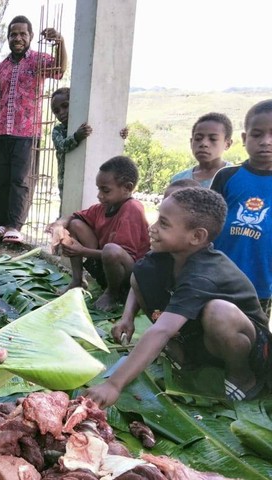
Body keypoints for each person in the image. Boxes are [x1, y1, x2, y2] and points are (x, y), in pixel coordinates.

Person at [85, 187, 272, 408]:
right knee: (142, 273)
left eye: (163, 224)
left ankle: (241, 376)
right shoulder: (163, 257)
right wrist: (127, 317)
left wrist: (113, 385)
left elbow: (163, 329)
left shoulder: (206, 272)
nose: (152, 229)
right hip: (201, 336)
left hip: (250, 348)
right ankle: (182, 355)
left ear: (196, 236)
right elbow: (137, 283)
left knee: (220, 312)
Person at [0, 15, 68, 244]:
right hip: (2, 133)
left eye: (22, 34)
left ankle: (15, 227)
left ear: (30, 37)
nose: (17, 38)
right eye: (13, 34)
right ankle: (2, 224)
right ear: (8, 38)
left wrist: (60, 42)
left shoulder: (37, 61)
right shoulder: (2, 68)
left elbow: (59, 69)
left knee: (21, 181)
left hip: (27, 133)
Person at [46, 156, 150, 311]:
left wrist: (82, 251)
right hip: (107, 266)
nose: (100, 195)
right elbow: (72, 217)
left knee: (111, 250)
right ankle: (77, 281)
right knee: (75, 224)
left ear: (127, 188)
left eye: (106, 190)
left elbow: (121, 254)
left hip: (132, 276)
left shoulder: (132, 208)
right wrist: (58, 227)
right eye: (99, 189)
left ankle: (112, 294)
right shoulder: (102, 208)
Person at [211, 99, 272, 318]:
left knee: (255, 338)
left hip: (262, 281)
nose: (266, 141)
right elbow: (208, 222)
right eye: (257, 135)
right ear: (245, 139)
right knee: (212, 324)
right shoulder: (227, 177)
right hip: (219, 274)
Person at [50, 88, 128, 214]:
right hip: (66, 180)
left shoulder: (89, 121)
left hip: (89, 177)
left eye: (65, 106)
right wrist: (76, 137)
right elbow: (61, 145)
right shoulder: (58, 130)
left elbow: (103, 134)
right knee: (67, 210)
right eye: (56, 111)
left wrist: (119, 133)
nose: (62, 113)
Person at [171, 112, 233, 188]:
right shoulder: (178, 180)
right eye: (198, 139)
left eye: (213, 139)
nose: (204, 143)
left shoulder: (235, 178)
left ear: (227, 144)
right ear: (191, 142)